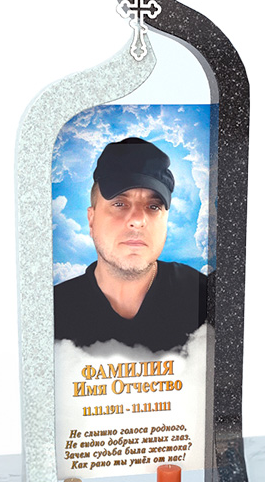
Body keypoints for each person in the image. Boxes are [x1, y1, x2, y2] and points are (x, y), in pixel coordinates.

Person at [54, 137, 208, 352]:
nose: (138, 219)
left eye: (153, 207)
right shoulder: (54, 311)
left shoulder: (205, 299)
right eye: (119, 203)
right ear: (91, 219)